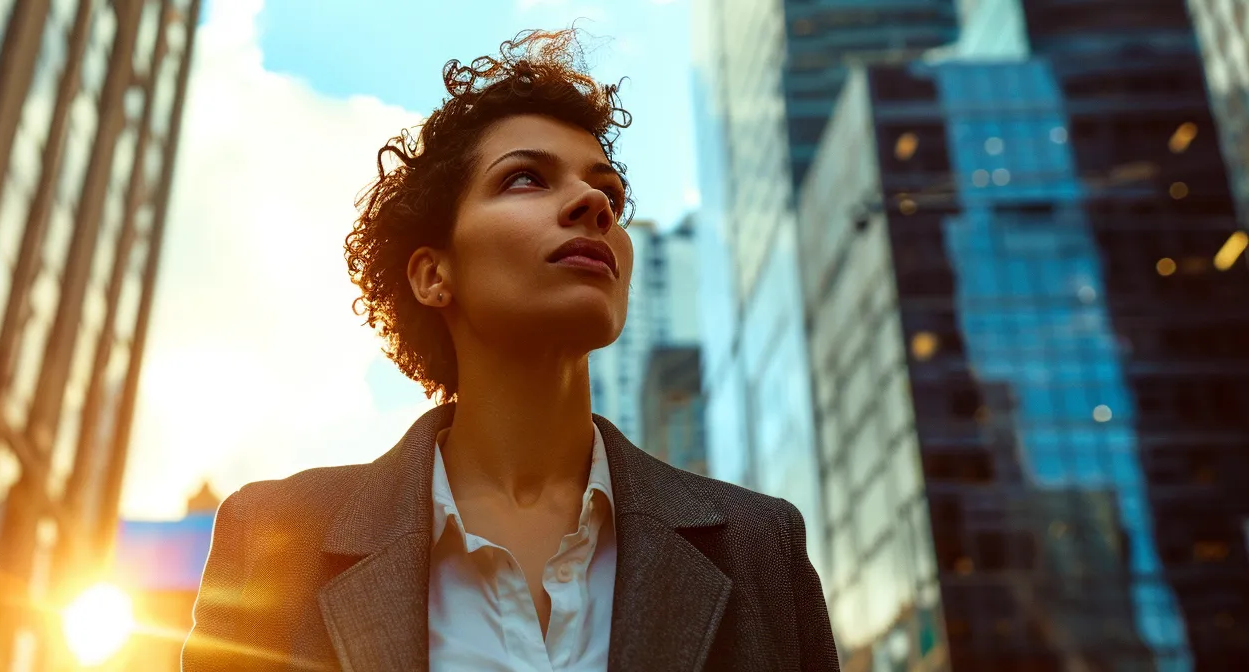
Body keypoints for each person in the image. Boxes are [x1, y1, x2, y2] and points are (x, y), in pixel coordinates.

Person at [182, 28, 838, 671]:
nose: (593, 205)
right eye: (526, 179)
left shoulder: (760, 547)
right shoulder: (274, 537)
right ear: (433, 274)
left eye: (609, 192)